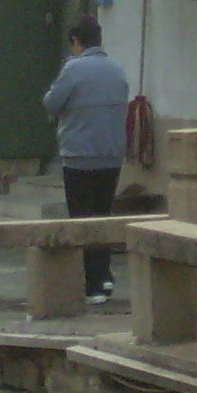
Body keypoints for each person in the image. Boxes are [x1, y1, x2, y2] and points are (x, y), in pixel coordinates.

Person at [41, 16, 130, 304]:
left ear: (76, 42)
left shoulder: (73, 69)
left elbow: (51, 103)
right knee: (103, 216)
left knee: (82, 218)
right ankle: (104, 278)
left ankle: (92, 284)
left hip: (79, 155)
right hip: (111, 154)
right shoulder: (117, 70)